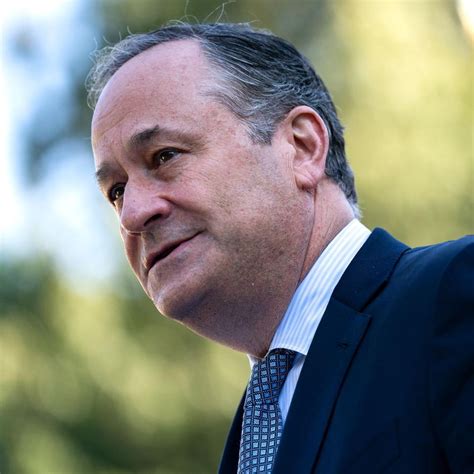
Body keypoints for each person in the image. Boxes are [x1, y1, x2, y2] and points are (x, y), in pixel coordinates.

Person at [87, 22, 473, 474]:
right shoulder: (254, 433)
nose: (132, 214)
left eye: (165, 156)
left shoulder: (455, 295)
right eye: (116, 191)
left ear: (302, 147)